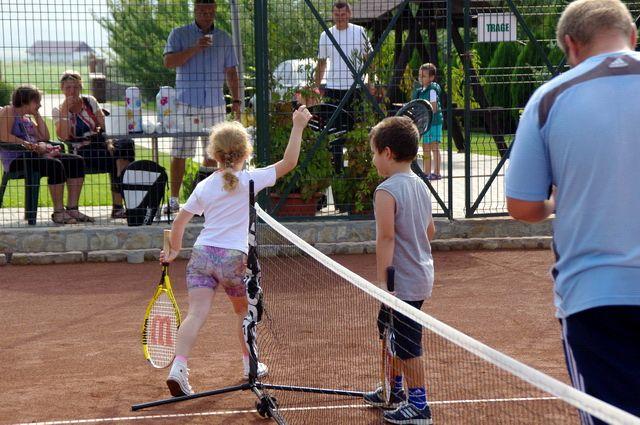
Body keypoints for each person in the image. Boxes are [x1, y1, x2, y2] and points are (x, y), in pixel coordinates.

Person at [505, 0, 640, 421]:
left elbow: (522, 205)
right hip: (595, 295)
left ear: (571, 44)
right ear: (633, 36)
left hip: (595, 296)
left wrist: (554, 203)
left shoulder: (549, 98)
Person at [159, 106, 312, 396]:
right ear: (245, 152)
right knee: (244, 312)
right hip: (233, 259)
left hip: (202, 255)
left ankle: (178, 368)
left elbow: (179, 221)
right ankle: (249, 364)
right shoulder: (251, 180)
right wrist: (298, 125)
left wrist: (174, 250)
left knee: (196, 314)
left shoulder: (205, 186)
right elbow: (290, 162)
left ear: (214, 154)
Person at [362, 116, 435, 424]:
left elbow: (386, 238)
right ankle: (394, 390)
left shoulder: (386, 191)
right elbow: (430, 231)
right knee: (388, 330)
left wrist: (384, 283)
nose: (373, 159)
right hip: (419, 275)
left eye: (374, 153)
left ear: (387, 153)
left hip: (401, 282)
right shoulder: (421, 186)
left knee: (406, 343)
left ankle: (419, 405)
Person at [163, 0, 241, 214]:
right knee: (180, 152)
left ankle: (209, 201)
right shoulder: (179, 34)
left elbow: (231, 72)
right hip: (187, 102)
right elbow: (168, 62)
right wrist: (196, 48)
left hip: (215, 103)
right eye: (203, 12)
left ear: (215, 11)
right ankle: (174, 200)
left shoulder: (224, 38)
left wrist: (236, 100)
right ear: (195, 10)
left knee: (215, 154)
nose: (207, 16)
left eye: (211, 12)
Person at [0, 85, 91, 224]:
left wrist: (36, 114)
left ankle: (72, 209)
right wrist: (27, 144)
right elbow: (3, 135)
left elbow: (44, 136)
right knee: (55, 165)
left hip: (34, 156)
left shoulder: (26, 118)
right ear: (26, 100)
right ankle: (59, 213)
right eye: (37, 102)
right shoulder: (9, 111)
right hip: (17, 160)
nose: (40, 105)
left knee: (76, 160)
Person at [53, 70, 135, 219]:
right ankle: (120, 204)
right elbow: (63, 136)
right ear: (62, 89)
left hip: (99, 142)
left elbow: (105, 126)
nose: (72, 91)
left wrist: (109, 142)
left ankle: (121, 204)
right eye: (68, 88)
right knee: (118, 159)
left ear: (81, 87)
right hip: (81, 149)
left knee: (126, 145)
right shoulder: (58, 110)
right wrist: (65, 111)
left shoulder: (89, 101)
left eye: (76, 87)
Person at [313, 0, 372, 173]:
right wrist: (316, 87)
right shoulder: (326, 35)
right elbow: (321, 63)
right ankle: (337, 169)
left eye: (343, 14)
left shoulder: (360, 32)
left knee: (357, 129)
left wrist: (371, 81)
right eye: (337, 15)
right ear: (333, 15)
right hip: (333, 88)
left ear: (349, 15)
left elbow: (368, 59)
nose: (340, 18)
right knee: (333, 131)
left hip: (356, 88)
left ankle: (356, 168)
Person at [413, 63, 443, 180]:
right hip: (426, 123)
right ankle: (426, 173)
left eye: (423, 76)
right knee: (425, 147)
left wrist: (424, 111)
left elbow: (433, 108)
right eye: (419, 75)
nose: (420, 78)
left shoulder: (432, 91)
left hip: (434, 122)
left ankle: (437, 172)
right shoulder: (421, 91)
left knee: (434, 147)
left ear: (431, 77)